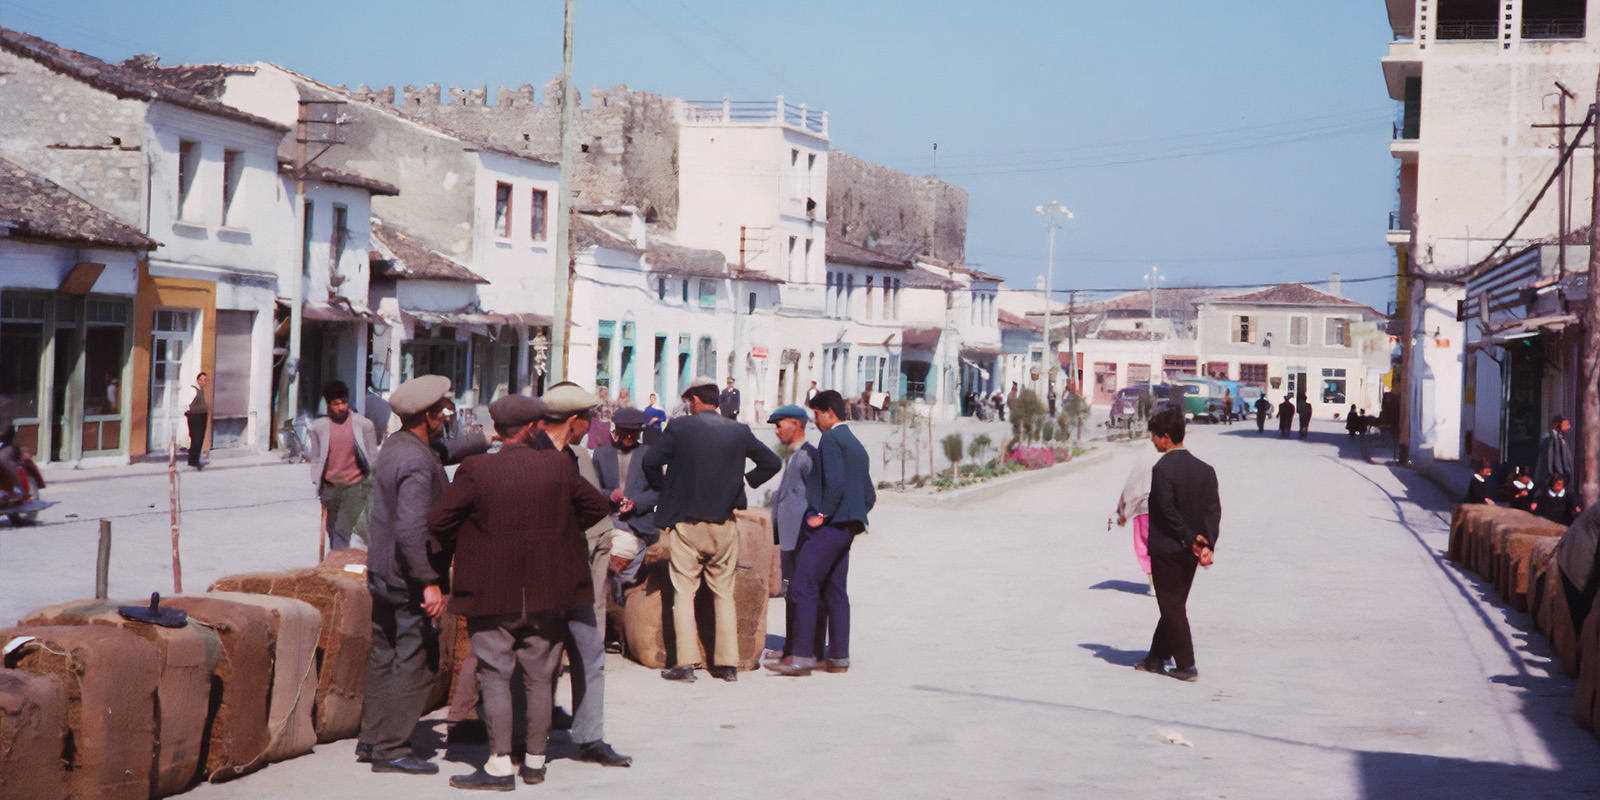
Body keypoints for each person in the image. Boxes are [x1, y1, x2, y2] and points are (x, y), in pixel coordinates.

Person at [428, 394, 612, 790]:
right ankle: (535, 762)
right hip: (549, 593)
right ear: (533, 429)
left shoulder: (475, 469)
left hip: (492, 593)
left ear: (497, 430)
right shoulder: (558, 466)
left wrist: (472, 538)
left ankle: (498, 765)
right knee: (540, 676)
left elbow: (439, 520)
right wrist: (560, 529)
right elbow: (596, 508)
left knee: (495, 675)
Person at [644, 376, 781, 682]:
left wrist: (666, 490)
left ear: (693, 400)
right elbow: (771, 462)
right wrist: (745, 480)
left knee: (683, 593)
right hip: (725, 524)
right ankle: (728, 665)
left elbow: (651, 461)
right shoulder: (738, 430)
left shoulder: (680, 427)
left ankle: (686, 664)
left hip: (687, 523)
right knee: (723, 594)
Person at [357, 374, 456, 776]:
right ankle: (392, 748)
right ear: (428, 417)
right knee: (415, 659)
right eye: (442, 411)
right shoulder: (416, 461)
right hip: (407, 578)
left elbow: (440, 452)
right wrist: (428, 581)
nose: (446, 415)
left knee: (383, 654)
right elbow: (412, 528)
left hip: (381, 572)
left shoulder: (396, 446)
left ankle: (371, 738)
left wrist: (485, 441)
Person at [530, 383, 632, 768]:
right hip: (539, 579)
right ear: (573, 421)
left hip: (579, 576)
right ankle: (529, 739)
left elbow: (593, 512)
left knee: (590, 655)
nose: (592, 424)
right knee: (538, 660)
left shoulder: (580, 457)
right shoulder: (529, 456)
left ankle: (590, 738)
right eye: (587, 418)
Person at [767, 390, 875, 677]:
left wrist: (823, 515)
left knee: (803, 582)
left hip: (831, 525)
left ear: (829, 412)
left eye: (816, 414)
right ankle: (838, 657)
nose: (815, 420)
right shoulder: (854, 442)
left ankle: (802, 656)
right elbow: (869, 493)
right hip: (849, 525)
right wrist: (855, 517)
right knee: (835, 589)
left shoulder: (831, 439)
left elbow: (835, 483)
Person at [1133, 408, 1220, 683]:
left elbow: (1166, 511)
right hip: (1190, 552)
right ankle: (1155, 658)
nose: (1153, 442)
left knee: (1172, 608)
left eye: (1155, 437)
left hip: (1169, 549)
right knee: (1174, 605)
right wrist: (1207, 542)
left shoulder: (1163, 469)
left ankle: (1186, 665)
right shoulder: (1205, 470)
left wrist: (1188, 539)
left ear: (1166, 438)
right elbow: (1213, 510)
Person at [766, 404, 821, 660]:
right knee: (790, 592)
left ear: (797, 425)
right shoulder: (793, 454)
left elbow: (818, 495)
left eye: (780, 425)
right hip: (788, 536)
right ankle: (791, 647)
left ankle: (802, 649)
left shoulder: (808, 455)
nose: (777, 431)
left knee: (801, 592)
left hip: (802, 536)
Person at [593, 407, 660, 602]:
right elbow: (591, 488)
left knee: (631, 550)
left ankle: (622, 591)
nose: (627, 437)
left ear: (639, 433)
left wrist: (635, 503)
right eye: (623, 432)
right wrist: (609, 495)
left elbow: (658, 491)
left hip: (637, 522)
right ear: (616, 430)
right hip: (607, 519)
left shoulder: (648, 455)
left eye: (632, 433)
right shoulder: (601, 454)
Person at [307, 380, 378, 551]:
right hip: (330, 488)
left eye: (344, 402)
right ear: (328, 405)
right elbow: (316, 458)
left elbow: (372, 457)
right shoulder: (319, 427)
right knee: (333, 531)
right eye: (336, 404)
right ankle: (340, 564)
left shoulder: (364, 425)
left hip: (354, 486)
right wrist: (317, 482)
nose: (341, 407)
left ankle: (340, 565)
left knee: (342, 530)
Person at [1111, 447, 1161, 595]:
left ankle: (1153, 581)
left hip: (1144, 509)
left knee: (1144, 544)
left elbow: (1132, 488)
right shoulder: (1174, 455)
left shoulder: (1145, 458)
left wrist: (1123, 513)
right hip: (1166, 510)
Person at [1535, 415, 1574, 486]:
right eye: (1566, 425)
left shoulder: (1560, 438)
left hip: (1562, 475)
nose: (1569, 427)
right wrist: (1553, 473)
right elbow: (1549, 457)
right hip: (1555, 477)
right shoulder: (1550, 439)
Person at [184, 371, 210, 469]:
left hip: (202, 415)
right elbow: (187, 403)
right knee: (196, 438)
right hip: (195, 416)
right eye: (201, 380)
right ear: (197, 380)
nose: (203, 382)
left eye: (205, 380)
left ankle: (195, 459)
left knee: (200, 439)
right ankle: (193, 461)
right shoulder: (193, 390)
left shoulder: (201, 390)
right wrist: (187, 413)